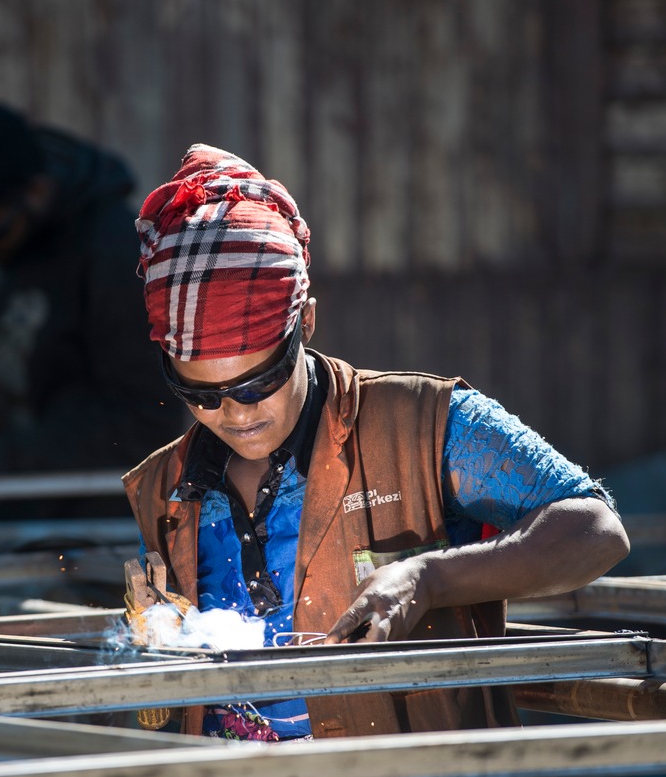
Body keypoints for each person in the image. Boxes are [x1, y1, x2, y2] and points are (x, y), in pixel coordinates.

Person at [122, 144, 630, 740]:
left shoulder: (422, 423)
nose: (234, 412)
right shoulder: (164, 489)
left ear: (305, 323)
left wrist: (430, 579)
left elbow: (596, 530)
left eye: (257, 382)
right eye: (201, 395)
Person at [0, 101, 185, 516]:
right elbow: (24, 343)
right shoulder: (24, 242)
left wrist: (5, 459)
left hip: (100, 531)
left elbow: (147, 419)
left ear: (36, 193)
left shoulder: (115, 255)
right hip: (35, 520)